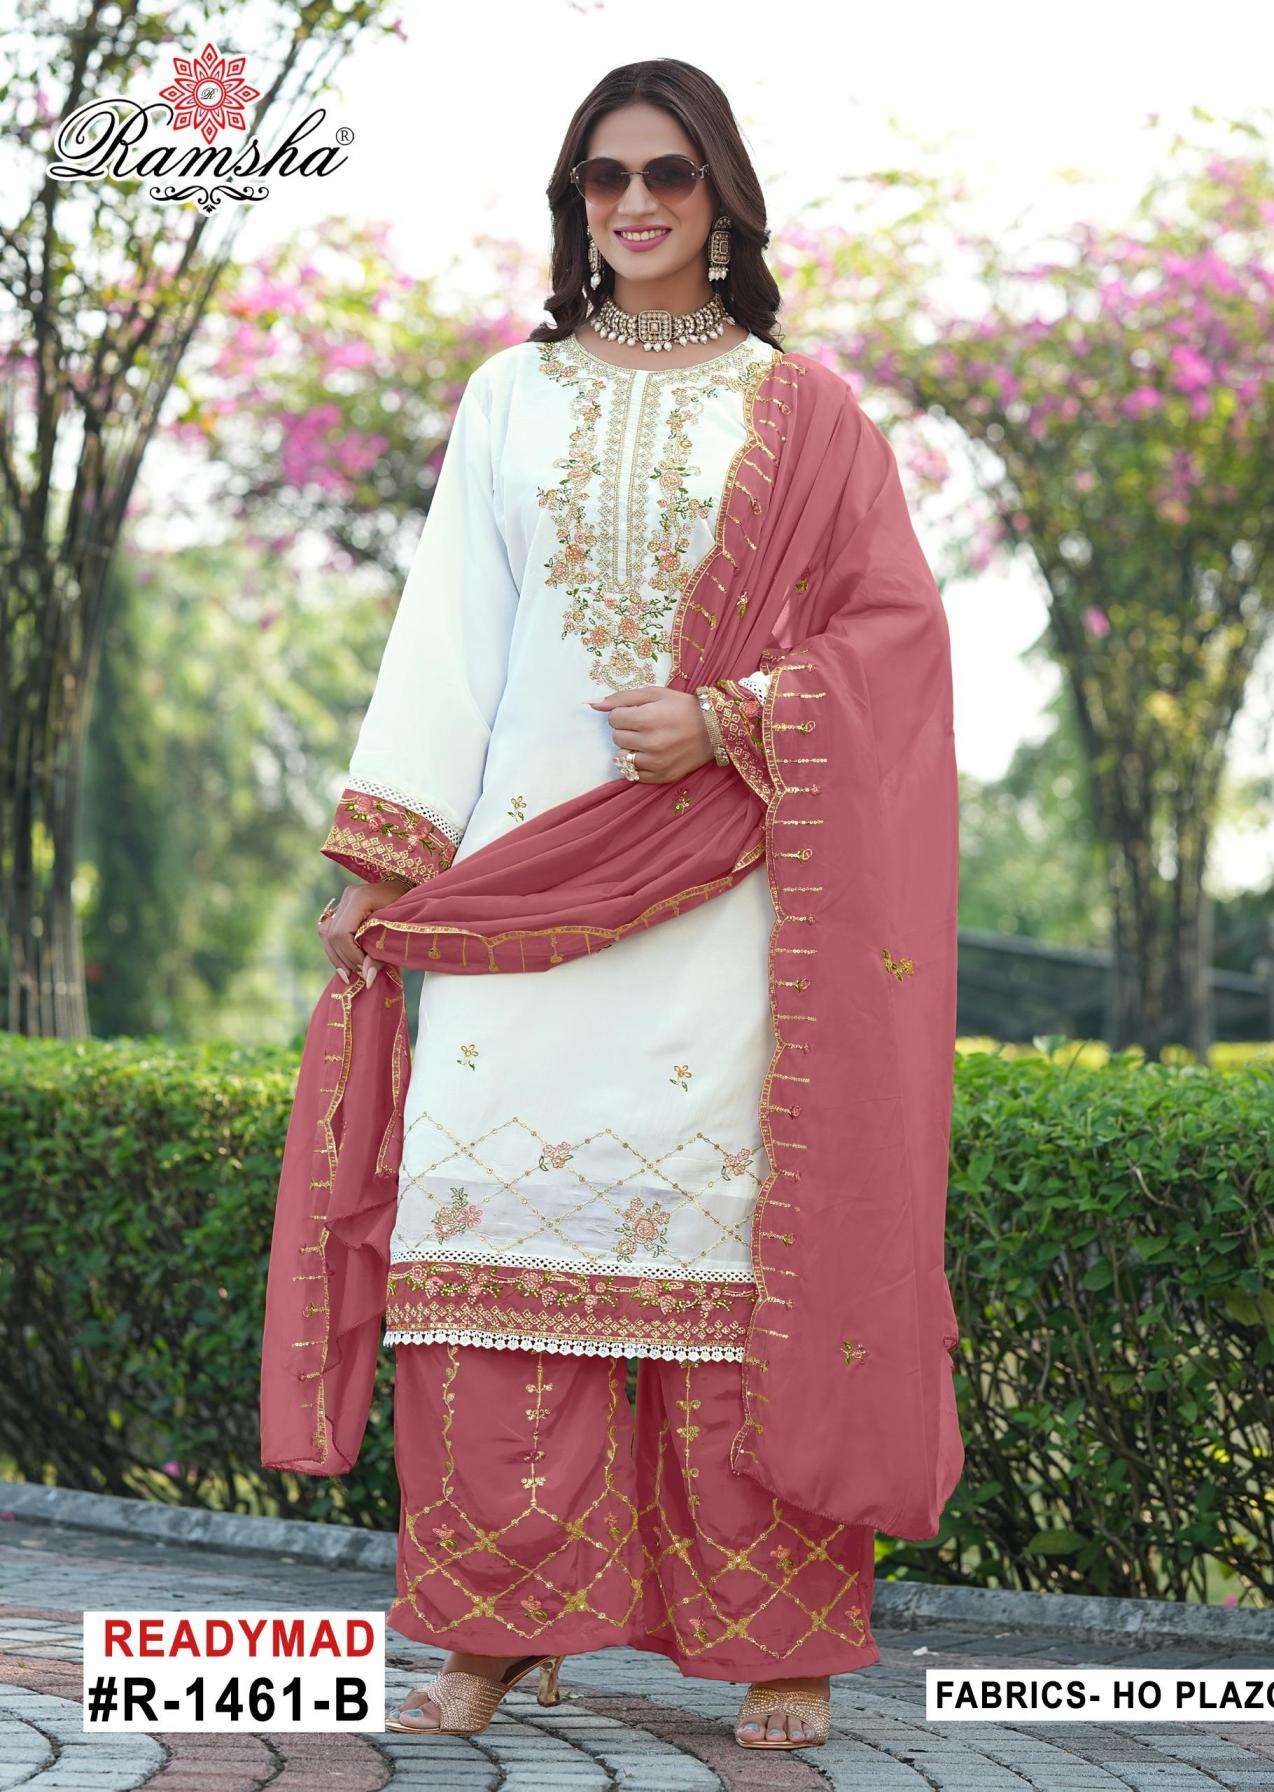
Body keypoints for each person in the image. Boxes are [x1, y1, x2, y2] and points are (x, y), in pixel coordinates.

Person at [260, 55, 963, 1754]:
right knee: (491, 1236)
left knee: (724, 1260)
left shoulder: (802, 411)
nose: (635, 204)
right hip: (517, 886)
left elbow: (891, 642)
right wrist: (387, 862)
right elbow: (449, 636)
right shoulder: (512, 397)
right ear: (574, 203)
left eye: (667, 174)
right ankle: (499, 1626)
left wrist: (729, 719)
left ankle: (776, 1639)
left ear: (722, 198)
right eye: (603, 177)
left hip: (723, 904)